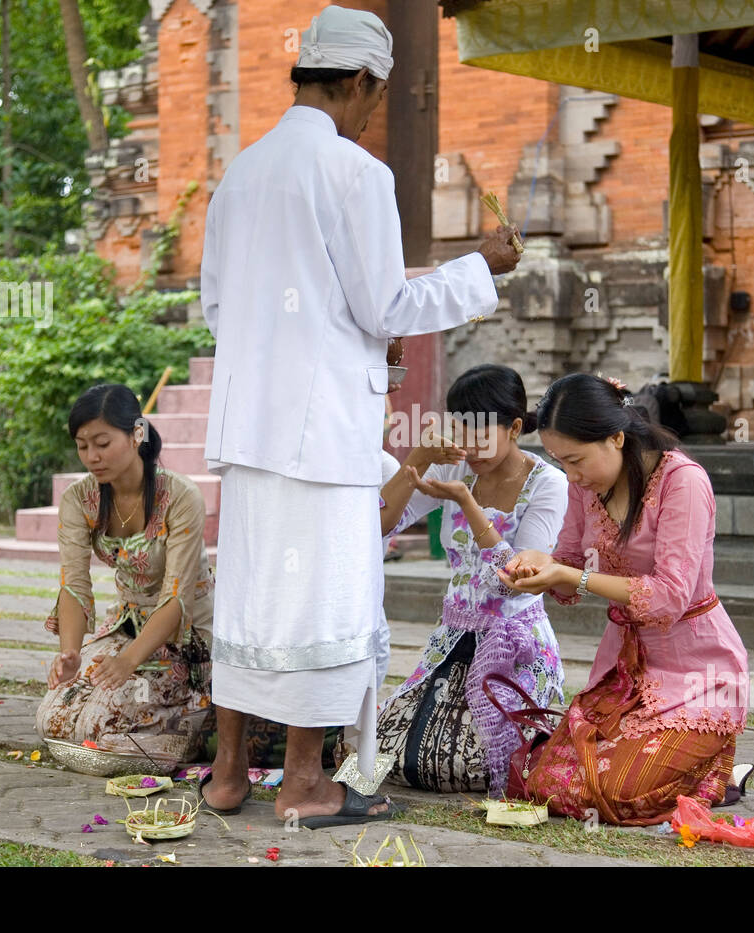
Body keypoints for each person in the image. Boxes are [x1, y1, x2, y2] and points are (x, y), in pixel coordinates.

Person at [197, 5, 521, 827]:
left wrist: (327, 346)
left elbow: (218, 307)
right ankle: (304, 783)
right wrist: (478, 264)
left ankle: (229, 774)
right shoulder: (356, 174)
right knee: (320, 603)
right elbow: (384, 302)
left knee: (251, 597)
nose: (374, 112)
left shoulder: (241, 174)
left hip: (248, 432)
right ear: (359, 82)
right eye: (375, 96)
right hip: (320, 441)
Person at [499, 373, 751, 825]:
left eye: (576, 460)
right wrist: (538, 567)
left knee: (611, 792)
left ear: (616, 437)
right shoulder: (585, 485)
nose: (571, 477)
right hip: (625, 670)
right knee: (543, 783)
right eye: (560, 462)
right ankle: (693, 767)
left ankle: (710, 766)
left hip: (697, 671)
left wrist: (571, 575)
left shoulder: (683, 482)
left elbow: (669, 598)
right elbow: (571, 560)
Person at [377, 365, 568, 793]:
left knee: (474, 763)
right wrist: (419, 457)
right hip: (450, 640)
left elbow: (517, 580)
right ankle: (349, 788)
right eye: (461, 431)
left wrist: (467, 502)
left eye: (483, 434)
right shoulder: (453, 468)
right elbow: (381, 522)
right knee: (376, 750)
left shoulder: (548, 483)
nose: (470, 447)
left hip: (516, 645)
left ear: (515, 427)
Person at [36, 384, 215, 767]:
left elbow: (177, 596)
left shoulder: (181, 496)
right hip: (128, 625)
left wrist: (128, 661)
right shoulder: (79, 499)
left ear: (136, 434)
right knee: (52, 719)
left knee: (100, 725)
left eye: (102, 443)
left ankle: (192, 726)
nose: (92, 457)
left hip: (188, 632)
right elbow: (73, 583)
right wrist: (69, 653)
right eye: (83, 446)